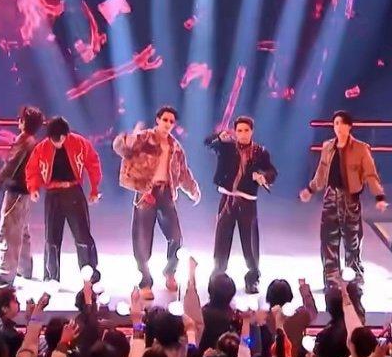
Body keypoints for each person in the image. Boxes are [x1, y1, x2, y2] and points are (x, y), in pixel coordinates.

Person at [113, 106, 201, 299]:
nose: (168, 124)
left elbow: (183, 172)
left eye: (171, 121)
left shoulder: (175, 147)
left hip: (166, 193)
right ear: (158, 120)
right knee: (142, 238)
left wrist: (193, 189)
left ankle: (170, 272)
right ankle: (145, 281)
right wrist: (128, 139)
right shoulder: (144, 138)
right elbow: (121, 148)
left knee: (176, 237)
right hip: (146, 192)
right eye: (165, 120)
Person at [299, 110, 388, 286]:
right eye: (336, 124)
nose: (338, 127)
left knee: (352, 239)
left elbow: (370, 174)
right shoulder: (327, 147)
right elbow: (321, 173)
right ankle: (331, 276)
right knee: (328, 238)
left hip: (350, 199)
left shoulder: (361, 148)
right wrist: (310, 189)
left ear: (349, 126)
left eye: (342, 123)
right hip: (331, 196)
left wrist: (379, 196)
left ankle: (353, 275)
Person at [25, 116, 103, 284]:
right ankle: (51, 276)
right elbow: (32, 169)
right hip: (53, 193)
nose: (57, 143)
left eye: (60, 139)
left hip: (73, 191)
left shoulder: (79, 143)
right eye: (53, 140)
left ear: (66, 135)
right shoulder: (42, 148)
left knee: (82, 234)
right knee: (51, 237)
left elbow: (93, 163)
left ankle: (90, 272)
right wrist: (34, 188)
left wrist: (94, 189)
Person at [205, 116, 277, 294]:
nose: (243, 134)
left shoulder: (260, 152)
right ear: (235, 132)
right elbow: (208, 143)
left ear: (252, 131)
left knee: (250, 242)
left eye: (246, 130)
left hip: (247, 200)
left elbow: (272, 172)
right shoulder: (227, 147)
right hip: (227, 199)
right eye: (239, 131)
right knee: (222, 239)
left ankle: (252, 278)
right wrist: (218, 137)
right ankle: (218, 276)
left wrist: (263, 176)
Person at [0, 105, 44, 285]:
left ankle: (6, 272)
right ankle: (25, 268)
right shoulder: (32, 141)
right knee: (21, 230)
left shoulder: (24, 141)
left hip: (16, 190)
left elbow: (10, 167)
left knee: (9, 231)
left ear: (23, 122)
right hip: (25, 191)